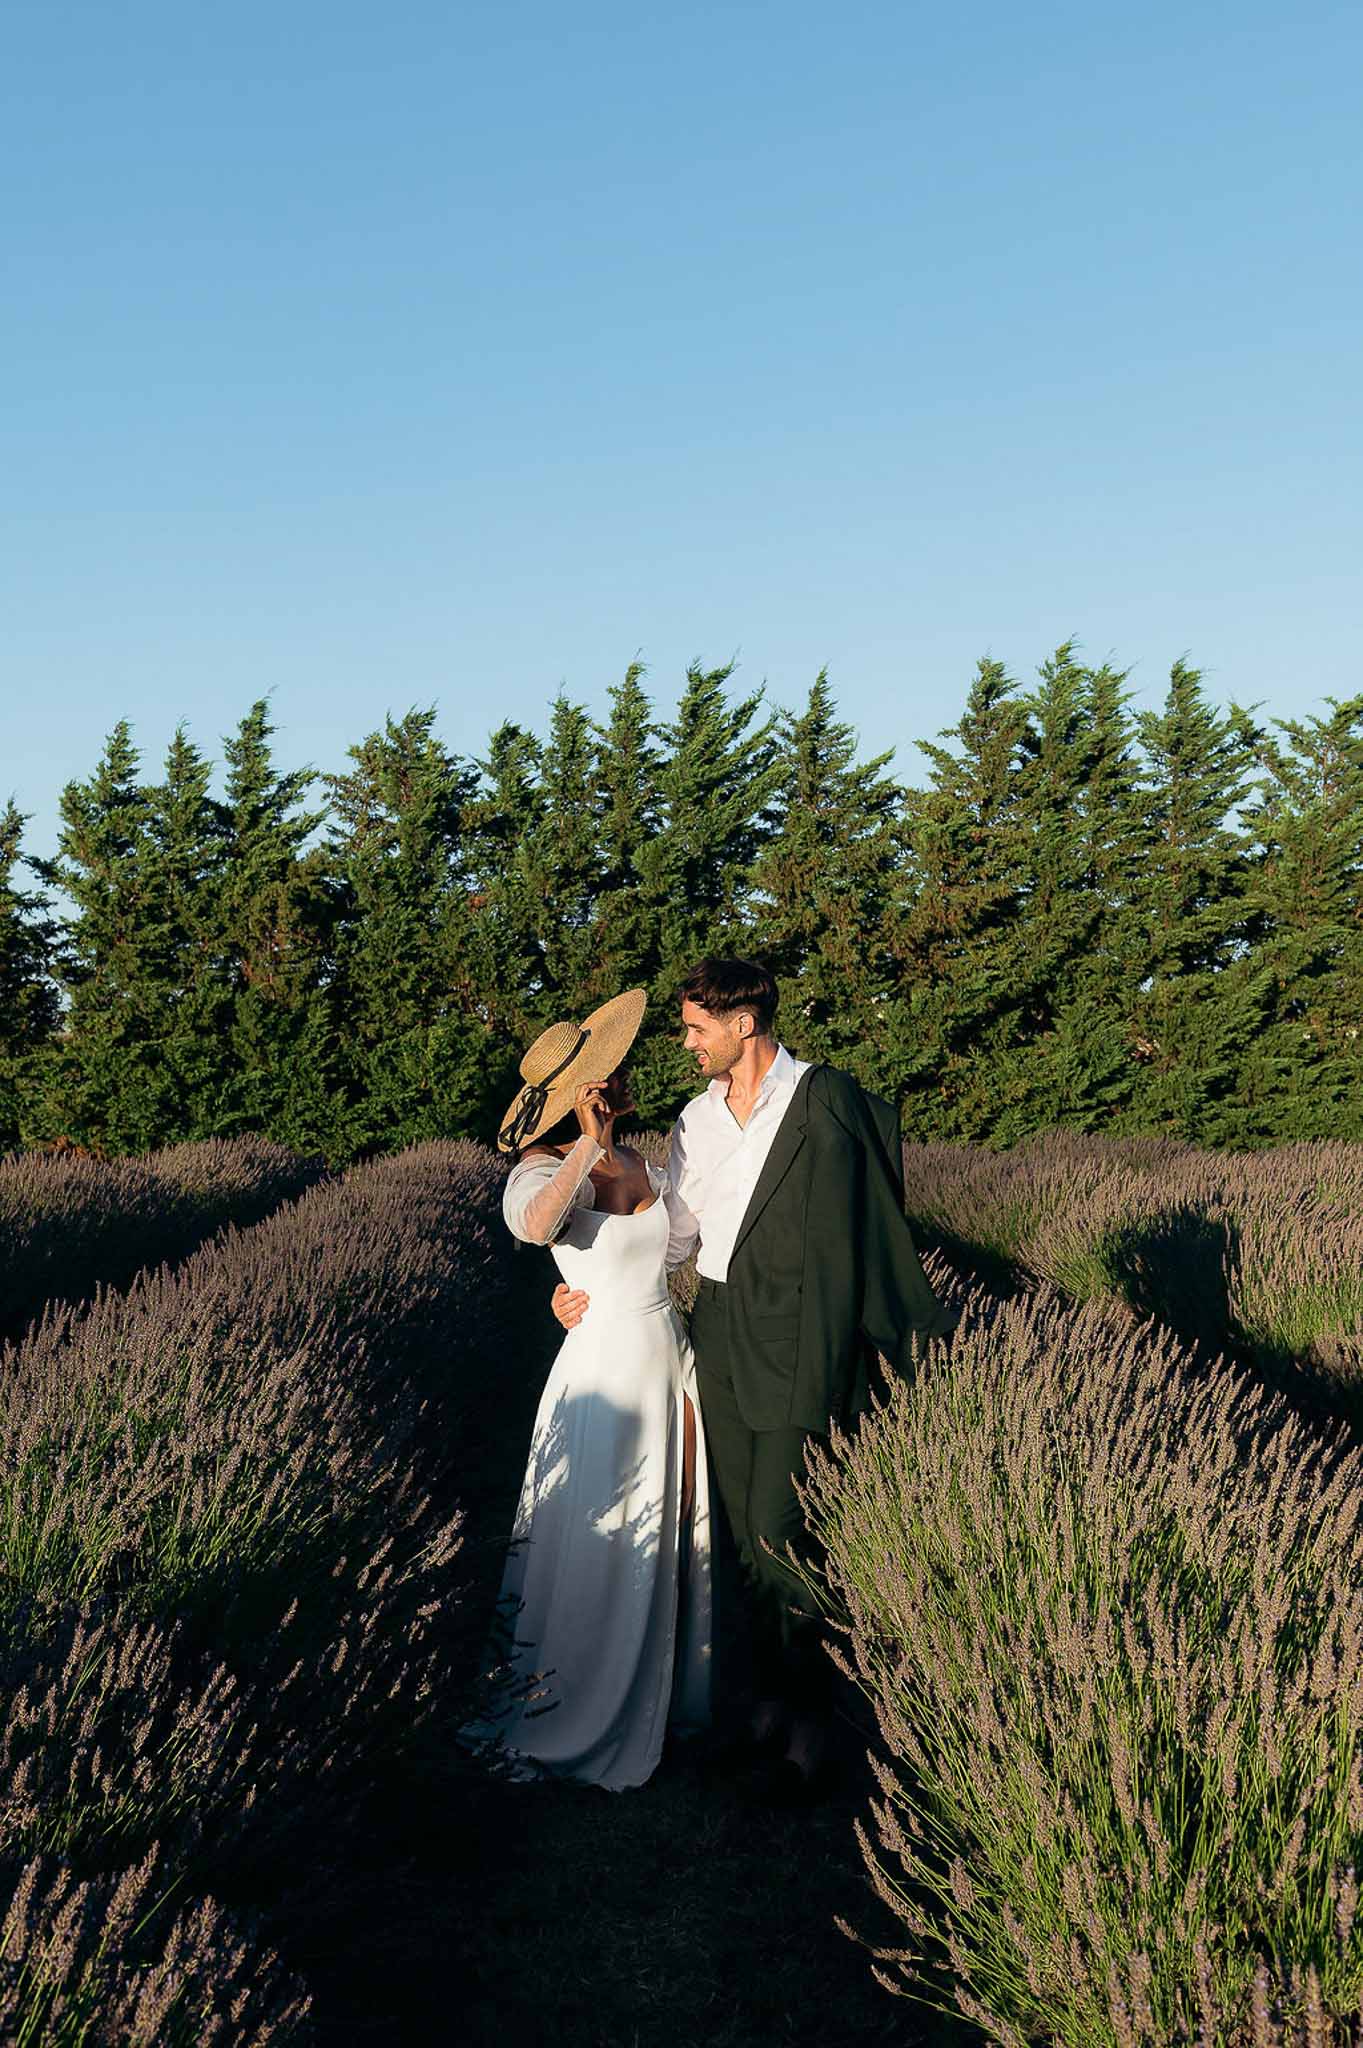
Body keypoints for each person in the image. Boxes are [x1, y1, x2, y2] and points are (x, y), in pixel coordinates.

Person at [552, 957, 957, 1797]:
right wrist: (591, 1282)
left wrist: (903, 1338)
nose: (686, 1041)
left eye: (697, 1026)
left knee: (782, 1532)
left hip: (803, 1330)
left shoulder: (823, 1100)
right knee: (740, 1535)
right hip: (722, 1329)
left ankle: (814, 1733)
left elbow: (874, 1222)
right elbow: (677, 1236)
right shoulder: (695, 1121)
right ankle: (766, 1715)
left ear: (745, 1023)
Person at [475, 988, 710, 1792]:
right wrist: (586, 1147)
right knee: (597, 1527)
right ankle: (565, 1702)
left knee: (670, 1517)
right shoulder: (538, 1170)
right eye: (594, 1084)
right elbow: (536, 1227)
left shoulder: (648, 1164)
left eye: (608, 1080)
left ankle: (661, 1691)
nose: (608, 1090)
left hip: (661, 1354)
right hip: (599, 1368)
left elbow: (680, 1248)